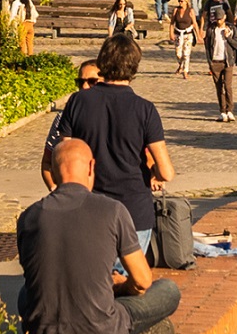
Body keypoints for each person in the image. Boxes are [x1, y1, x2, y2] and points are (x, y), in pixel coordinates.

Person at [11, 133, 161, 334]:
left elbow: (35, 278)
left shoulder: (29, 217)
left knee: (25, 293)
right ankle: (131, 333)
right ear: (91, 167)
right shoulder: (113, 210)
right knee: (168, 291)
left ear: (52, 171)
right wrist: (119, 287)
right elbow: (142, 281)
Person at [64, 36, 174, 263]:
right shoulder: (145, 109)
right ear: (134, 66)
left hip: (89, 205)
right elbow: (166, 172)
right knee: (124, 282)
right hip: (133, 211)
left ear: (103, 62)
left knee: (93, 277)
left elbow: (63, 154)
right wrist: (153, 172)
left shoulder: (78, 101)